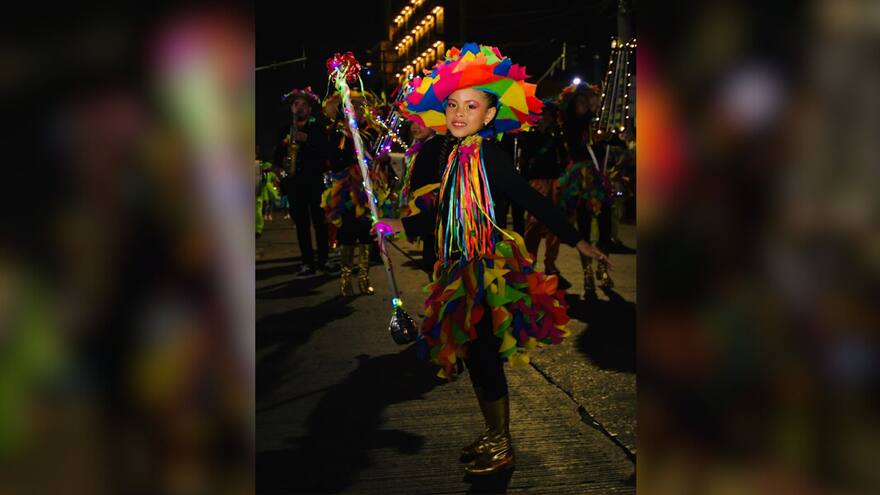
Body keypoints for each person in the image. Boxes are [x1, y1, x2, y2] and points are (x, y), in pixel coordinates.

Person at [380, 43, 611, 476]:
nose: (458, 113)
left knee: (484, 354)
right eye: (451, 105)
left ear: (489, 116)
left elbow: (529, 199)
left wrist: (577, 239)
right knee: (472, 355)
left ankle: (502, 443)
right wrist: (395, 225)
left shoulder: (489, 155)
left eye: (471, 106)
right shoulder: (444, 155)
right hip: (453, 270)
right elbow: (435, 212)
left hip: (485, 269)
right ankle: (492, 431)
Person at [321, 89, 388, 296]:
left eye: (360, 107)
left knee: (367, 234)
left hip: (368, 191)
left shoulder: (371, 133)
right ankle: (345, 280)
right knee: (348, 234)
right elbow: (334, 160)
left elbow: (377, 159)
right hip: (346, 192)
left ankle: (364, 278)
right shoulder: (336, 134)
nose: (356, 111)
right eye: (351, 107)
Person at [558, 82, 615, 296]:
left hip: (599, 179)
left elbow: (613, 142)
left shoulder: (596, 121)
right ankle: (587, 273)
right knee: (583, 226)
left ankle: (603, 268)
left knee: (605, 225)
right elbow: (575, 140)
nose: (587, 104)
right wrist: (591, 111)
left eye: (588, 100)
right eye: (582, 101)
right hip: (581, 181)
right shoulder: (572, 123)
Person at [274, 87, 337, 278]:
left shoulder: (317, 128)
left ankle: (324, 260)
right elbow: (277, 156)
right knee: (301, 224)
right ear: (292, 108)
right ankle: (307, 263)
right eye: (296, 104)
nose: (299, 107)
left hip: (314, 182)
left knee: (320, 223)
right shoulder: (285, 129)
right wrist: (281, 170)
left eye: (303, 104)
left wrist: (307, 139)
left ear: (310, 109)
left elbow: (326, 153)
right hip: (294, 183)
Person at [520, 99, 570, 287]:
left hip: (554, 182)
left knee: (554, 225)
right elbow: (525, 161)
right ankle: (529, 261)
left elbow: (564, 159)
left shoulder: (558, 137)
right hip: (536, 182)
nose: (545, 118)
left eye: (548, 115)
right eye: (542, 115)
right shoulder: (528, 136)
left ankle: (550, 263)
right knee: (533, 223)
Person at [396, 120, 445, 276]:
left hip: (433, 206)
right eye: (413, 123)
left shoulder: (438, 145)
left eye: (421, 122)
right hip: (424, 206)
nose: (414, 127)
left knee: (433, 254)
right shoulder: (423, 145)